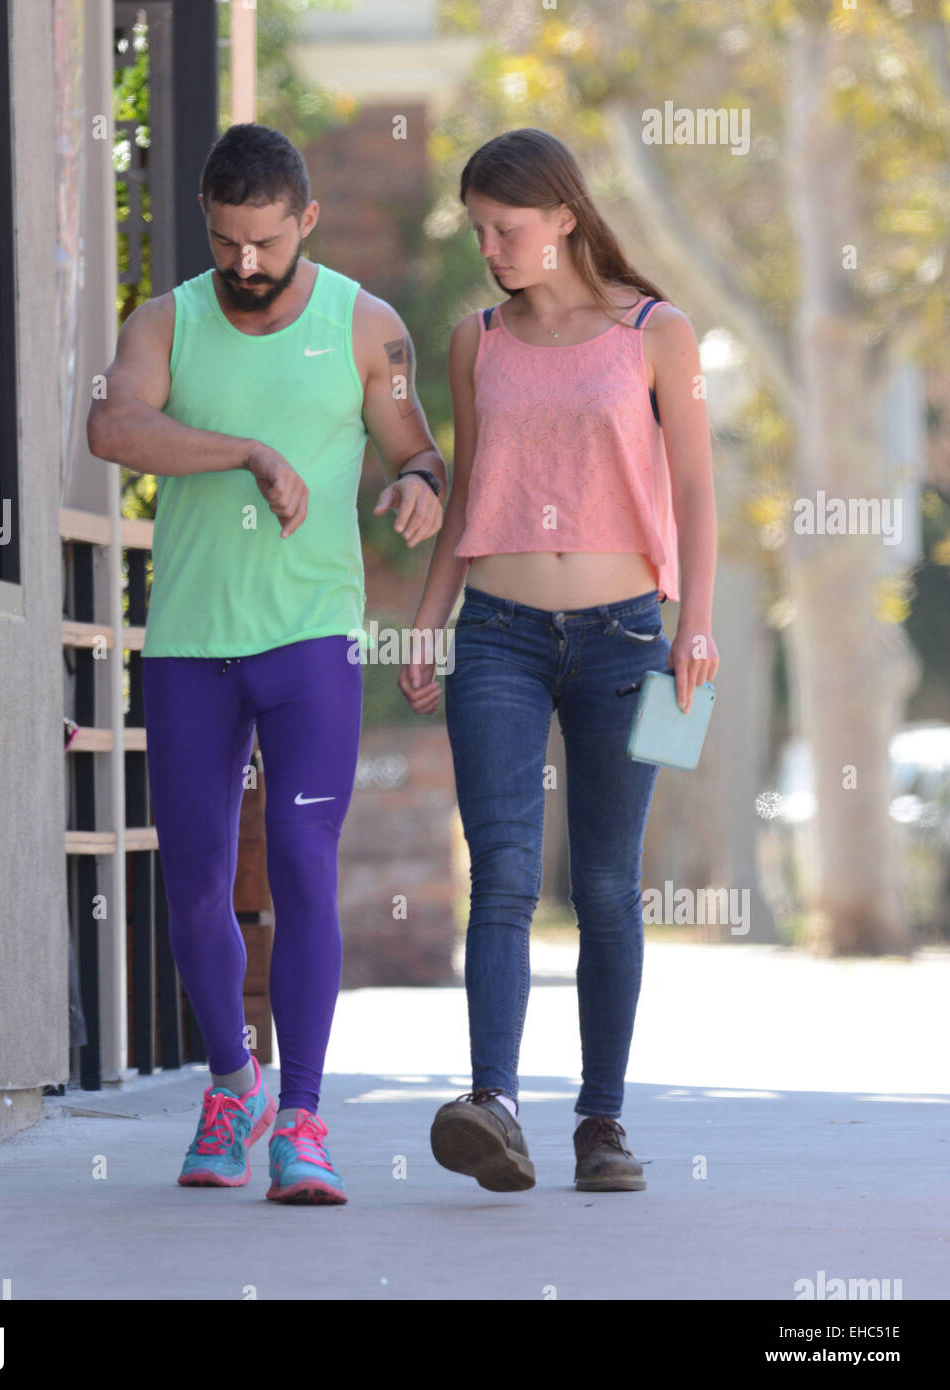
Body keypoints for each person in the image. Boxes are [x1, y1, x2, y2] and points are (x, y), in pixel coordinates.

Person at [87, 123, 445, 1204]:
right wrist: (245, 452)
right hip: (190, 643)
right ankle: (231, 1086)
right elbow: (113, 428)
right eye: (225, 240)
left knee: (299, 857)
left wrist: (418, 487)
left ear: (307, 222)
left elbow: (418, 452)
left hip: (310, 639)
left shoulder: (364, 327)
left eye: (267, 242)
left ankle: (302, 1119)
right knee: (196, 877)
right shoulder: (165, 322)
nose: (245, 263)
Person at [399, 127, 719, 1193]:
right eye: (477, 231)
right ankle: (492, 1105)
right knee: (499, 871)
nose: (490, 248)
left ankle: (602, 1125)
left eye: (507, 227)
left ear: (564, 218)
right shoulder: (476, 341)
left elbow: (694, 490)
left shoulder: (654, 332)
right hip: (496, 632)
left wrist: (696, 623)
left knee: (605, 887)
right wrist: (428, 620)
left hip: (626, 637)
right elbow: (468, 494)